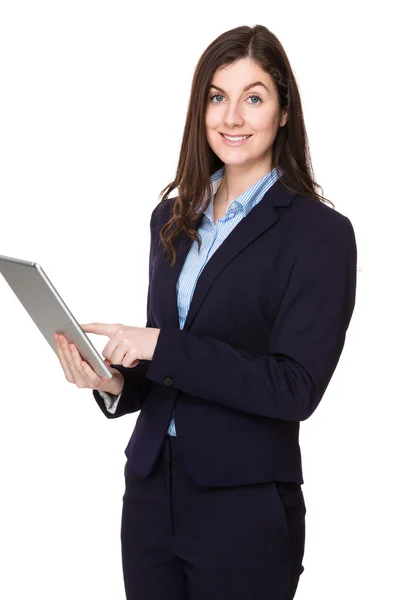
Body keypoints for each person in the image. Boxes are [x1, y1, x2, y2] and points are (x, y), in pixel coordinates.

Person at [54, 24, 357, 600]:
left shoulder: (319, 234)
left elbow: (294, 388)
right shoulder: (171, 219)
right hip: (149, 494)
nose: (232, 117)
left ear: (284, 111)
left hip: (242, 502)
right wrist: (114, 381)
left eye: (254, 96)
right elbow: (168, 369)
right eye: (217, 96)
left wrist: (157, 345)